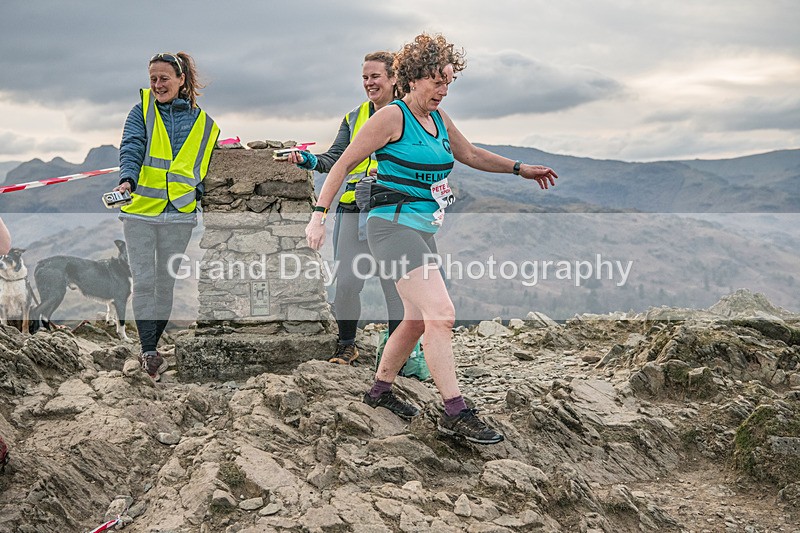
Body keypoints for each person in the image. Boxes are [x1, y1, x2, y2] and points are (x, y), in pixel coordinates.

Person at [304, 33, 558, 445]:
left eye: (448, 82)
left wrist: (520, 168)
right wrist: (319, 216)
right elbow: (343, 164)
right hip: (390, 227)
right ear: (415, 78)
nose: (443, 90)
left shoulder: (439, 119)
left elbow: (470, 154)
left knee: (417, 319)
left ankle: (379, 391)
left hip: (421, 228)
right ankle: (455, 411)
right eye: (438, 81)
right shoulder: (392, 117)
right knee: (441, 313)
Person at [284, 51, 405, 366]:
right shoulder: (353, 117)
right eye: (365, 77)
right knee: (348, 282)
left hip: (391, 210)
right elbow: (334, 159)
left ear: (394, 78)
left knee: (394, 285)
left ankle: (398, 356)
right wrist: (308, 160)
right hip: (352, 209)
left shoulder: (407, 115)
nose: (369, 83)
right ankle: (347, 346)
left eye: (375, 76)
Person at [114, 52, 219, 380]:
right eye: (153, 79)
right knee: (144, 281)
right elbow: (131, 147)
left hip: (179, 214)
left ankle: (152, 343)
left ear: (181, 79)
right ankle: (148, 351)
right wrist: (127, 180)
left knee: (165, 283)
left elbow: (203, 167)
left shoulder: (205, 124)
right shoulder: (141, 111)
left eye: (164, 78)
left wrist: (196, 194)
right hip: (140, 211)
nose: (158, 85)